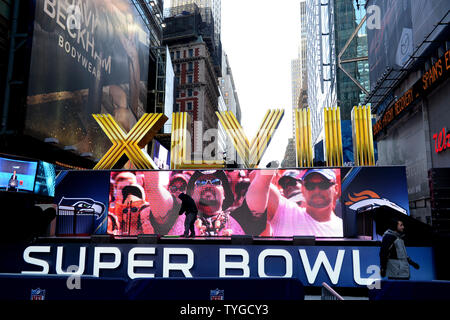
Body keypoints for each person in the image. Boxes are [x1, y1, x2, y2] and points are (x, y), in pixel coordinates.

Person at [246, 169, 343, 237]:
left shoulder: (343, 228)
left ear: (336, 189)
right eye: (310, 185)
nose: (317, 190)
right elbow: (258, 178)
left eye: (323, 184)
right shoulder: (286, 212)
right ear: (303, 188)